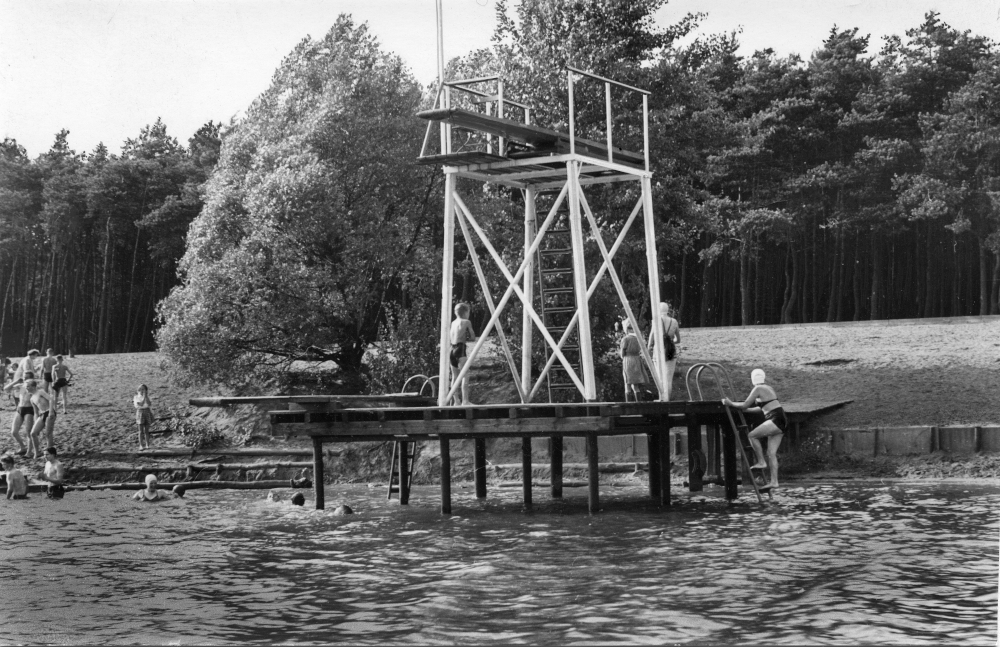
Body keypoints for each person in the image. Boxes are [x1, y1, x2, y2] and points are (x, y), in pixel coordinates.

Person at [722, 368, 786, 490]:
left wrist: (731, 403)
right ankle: (774, 481)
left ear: (753, 379)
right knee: (771, 453)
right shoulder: (768, 388)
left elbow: (745, 404)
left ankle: (761, 462)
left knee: (752, 435)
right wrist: (745, 410)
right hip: (782, 419)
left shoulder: (757, 389)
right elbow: (761, 408)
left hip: (775, 419)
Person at [647, 302, 681, 400]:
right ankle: (667, 401)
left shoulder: (656, 320)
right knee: (668, 379)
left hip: (658, 350)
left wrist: (649, 348)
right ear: (667, 310)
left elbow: (652, 336)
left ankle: (661, 399)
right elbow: (678, 340)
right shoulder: (674, 321)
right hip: (671, 350)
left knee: (660, 378)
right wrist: (669, 341)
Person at [448, 303, 476, 406]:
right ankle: (465, 401)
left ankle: (456, 401)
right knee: (465, 375)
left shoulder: (453, 323)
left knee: (455, 377)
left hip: (452, 349)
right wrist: (468, 338)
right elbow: (473, 337)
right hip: (460, 349)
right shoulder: (467, 322)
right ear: (466, 312)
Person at [618, 319, 648, 402]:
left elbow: (622, 353)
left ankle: (629, 404)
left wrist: (622, 355)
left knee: (627, 383)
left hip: (628, 360)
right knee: (635, 385)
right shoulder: (638, 338)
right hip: (637, 359)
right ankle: (639, 403)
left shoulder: (626, 339)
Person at [3, 377, 34, 456]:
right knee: (14, 432)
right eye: (24, 376)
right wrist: (16, 381)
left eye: (27, 376)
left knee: (28, 432)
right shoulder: (21, 386)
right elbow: (6, 389)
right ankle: (23, 447)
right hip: (20, 408)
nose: (25, 378)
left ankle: (29, 451)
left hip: (29, 409)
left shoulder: (33, 387)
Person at [28, 380, 55, 458]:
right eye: (26, 386)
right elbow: (36, 412)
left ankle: (50, 453)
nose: (27, 388)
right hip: (42, 414)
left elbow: (51, 399)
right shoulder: (32, 398)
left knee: (48, 433)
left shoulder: (40, 392)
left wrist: (51, 411)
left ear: (33, 386)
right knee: (33, 433)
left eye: (28, 386)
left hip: (49, 411)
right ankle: (37, 452)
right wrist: (36, 421)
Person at [133, 384, 153, 449]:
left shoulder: (148, 397)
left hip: (147, 412)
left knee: (146, 430)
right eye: (140, 389)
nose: (142, 391)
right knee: (140, 431)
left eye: (143, 389)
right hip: (140, 412)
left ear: (146, 390)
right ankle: (141, 445)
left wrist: (146, 396)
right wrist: (144, 397)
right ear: (138, 390)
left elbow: (149, 404)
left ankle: (147, 444)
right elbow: (140, 404)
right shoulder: (136, 397)